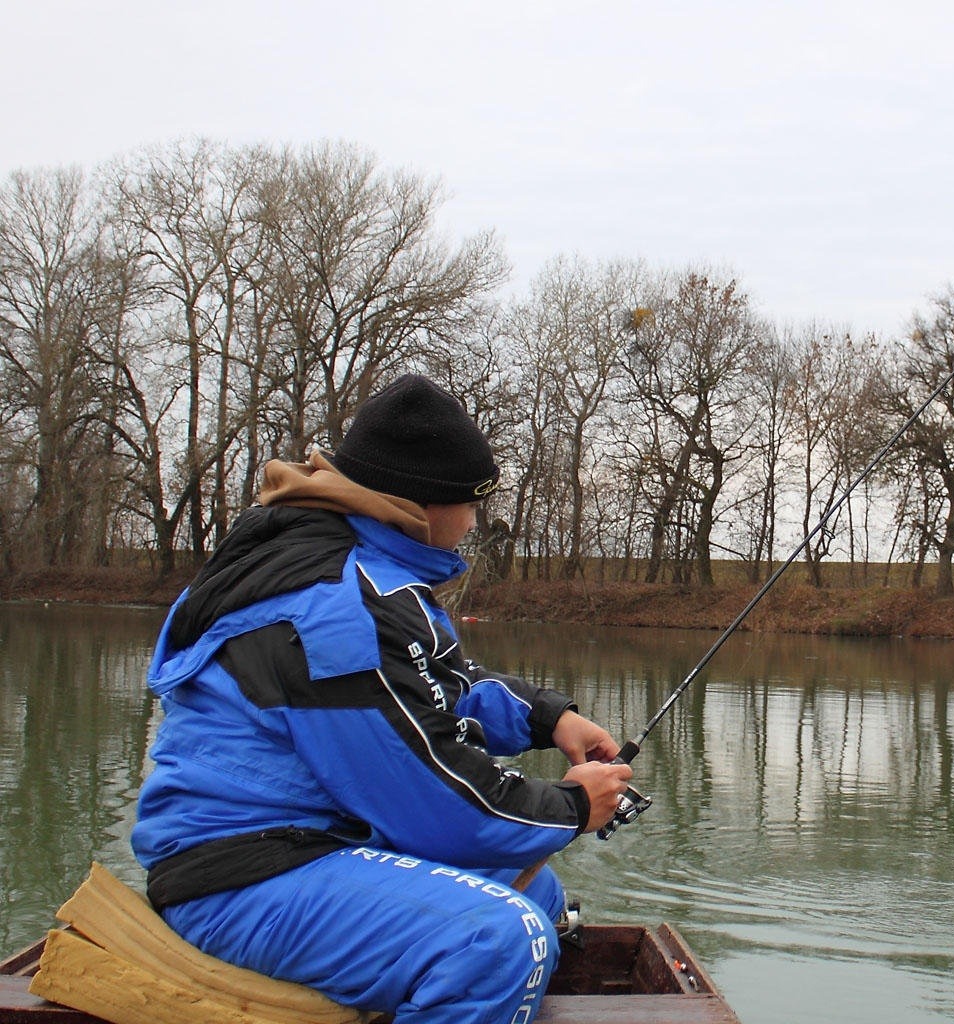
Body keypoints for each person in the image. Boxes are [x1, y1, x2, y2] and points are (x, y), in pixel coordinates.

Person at [131, 374, 634, 1024]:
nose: (476, 521)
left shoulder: (350, 566)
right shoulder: (335, 607)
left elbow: (425, 692)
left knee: (537, 890)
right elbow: (439, 805)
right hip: (238, 874)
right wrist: (571, 806)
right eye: (470, 502)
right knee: (498, 942)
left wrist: (547, 716)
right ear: (424, 507)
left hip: (303, 846)